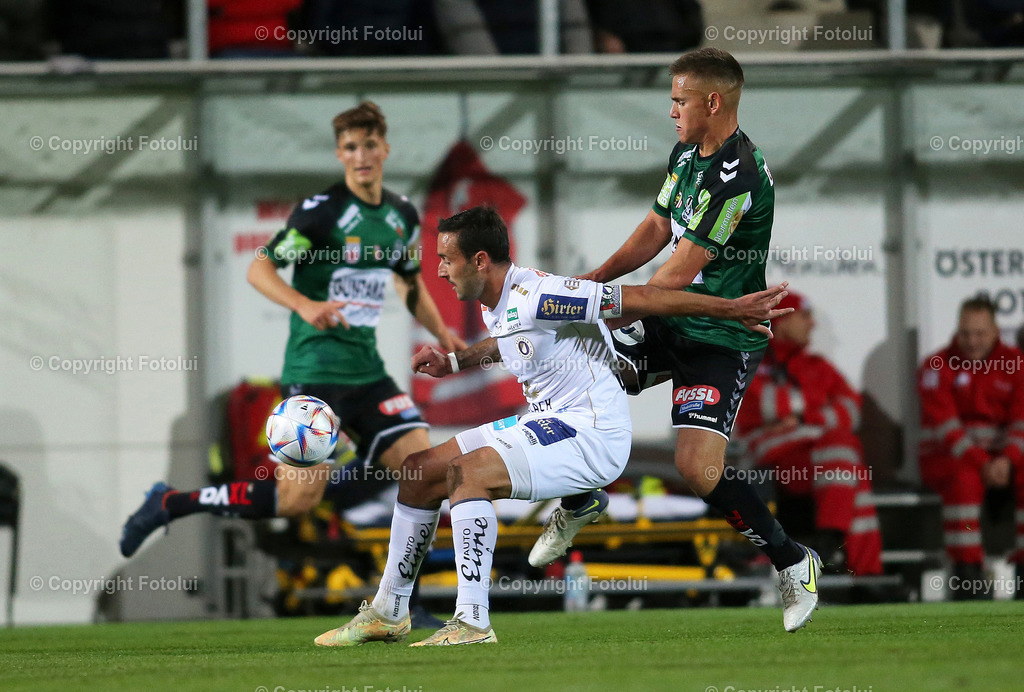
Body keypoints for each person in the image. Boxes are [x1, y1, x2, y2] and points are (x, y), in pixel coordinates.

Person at [313, 205, 793, 647]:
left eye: (446, 259)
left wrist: (734, 310)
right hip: (547, 421)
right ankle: (390, 611)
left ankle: (473, 621)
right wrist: (454, 362)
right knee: (419, 470)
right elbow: (511, 340)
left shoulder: (544, 295)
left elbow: (646, 296)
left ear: (480, 260)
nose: (438, 269)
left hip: (592, 434)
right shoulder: (494, 297)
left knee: (467, 475)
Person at [119, 102, 465, 626]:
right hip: (314, 373)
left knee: (427, 473)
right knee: (298, 499)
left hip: (369, 375)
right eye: (350, 146)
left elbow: (408, 282)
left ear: (385, 149)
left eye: (369, 144)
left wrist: (444, 335)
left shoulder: (400, 216)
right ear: (339, 153)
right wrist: (304, 305)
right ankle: (172, 503)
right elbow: (261, 268)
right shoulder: (321, 212)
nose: (361, 155)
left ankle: (401, 605)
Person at [535, 47, 820, 633]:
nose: (671, 111)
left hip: (719, 330)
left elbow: (677, 273)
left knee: (697, 469)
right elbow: (657, 227)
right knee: (577, 380)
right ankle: (580, 500)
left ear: (712, 102)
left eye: (679, 99)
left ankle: (793, 562)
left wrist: (595, 310)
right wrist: (592, 283)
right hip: (670, 317)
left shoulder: (736, 177)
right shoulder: (688, 154)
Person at [735, 291, 883, 576]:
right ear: (782, 319)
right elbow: (764, 404)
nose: (812, 324)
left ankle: (852, 562)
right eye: (805, 316)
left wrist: (802, 416)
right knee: (843, 449)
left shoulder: (817, 366)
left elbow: (852, 410)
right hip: (764, 459)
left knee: (850, 463)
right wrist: (819, 410)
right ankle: (854, 565)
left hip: (810, 459)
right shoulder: (750, 359)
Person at [918, 296, 1024, 594]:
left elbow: (1021, 421)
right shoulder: (936, 365)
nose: (972, 341)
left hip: (1000, 461)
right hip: (949, 460)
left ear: (995, 331)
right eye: (965, 333)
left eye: (980, 333)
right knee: (964, 479)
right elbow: (946, 429)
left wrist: (1008, 459)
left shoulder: (1016, 363)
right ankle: (968, 575)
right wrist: (985, 463)